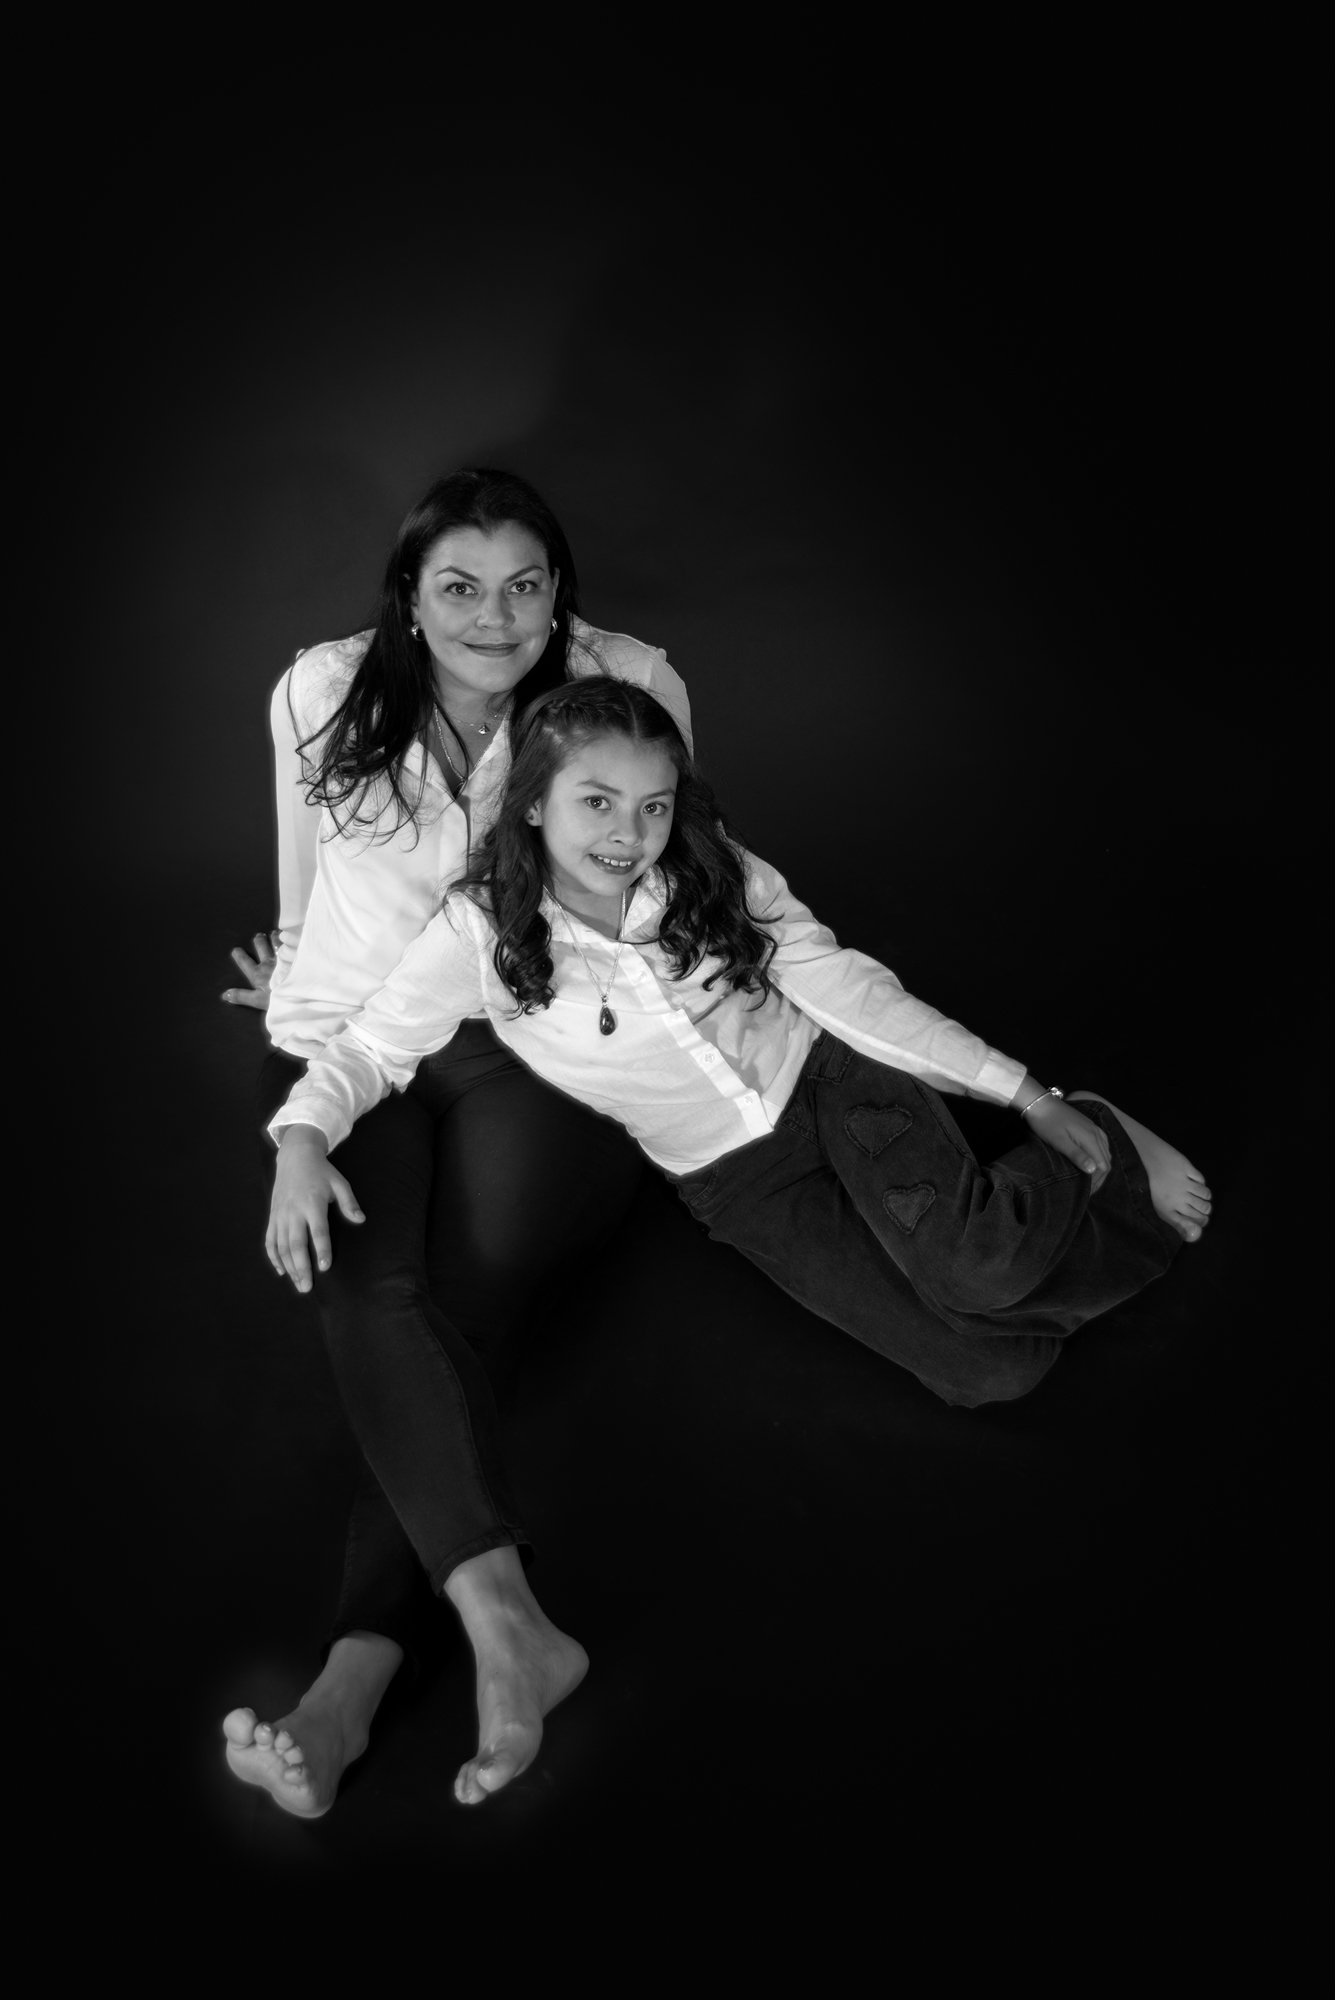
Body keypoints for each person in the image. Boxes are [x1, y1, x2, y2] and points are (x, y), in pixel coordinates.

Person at [265, 675, 1213, 1806]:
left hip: (830, 1083)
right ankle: (1026, 1225)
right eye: (597, 802)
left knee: (980, 1262)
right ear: (534, 803)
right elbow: (372, 1048)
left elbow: (847, 986)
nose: (629, 834)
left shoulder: (714, 872)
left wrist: (1028, 1095)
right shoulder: (481, 930)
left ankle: (1097, 1139)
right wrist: (300, 1139)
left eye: (654, 805)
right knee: (994, 1368)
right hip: (734, 1183)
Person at [220, 471, 691, 1820]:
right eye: (460, 587)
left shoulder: (628, 682)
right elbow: (304, 860)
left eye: (524, 585)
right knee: (368, 1280)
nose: (496, 617)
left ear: (560, 593)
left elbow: (655, 879)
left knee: (465, 1293)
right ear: (410, 597)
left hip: (532, 1042)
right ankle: (493, 1632)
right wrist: (297, 971)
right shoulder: (322, 690)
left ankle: (354, 1680)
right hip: (360, 1035)